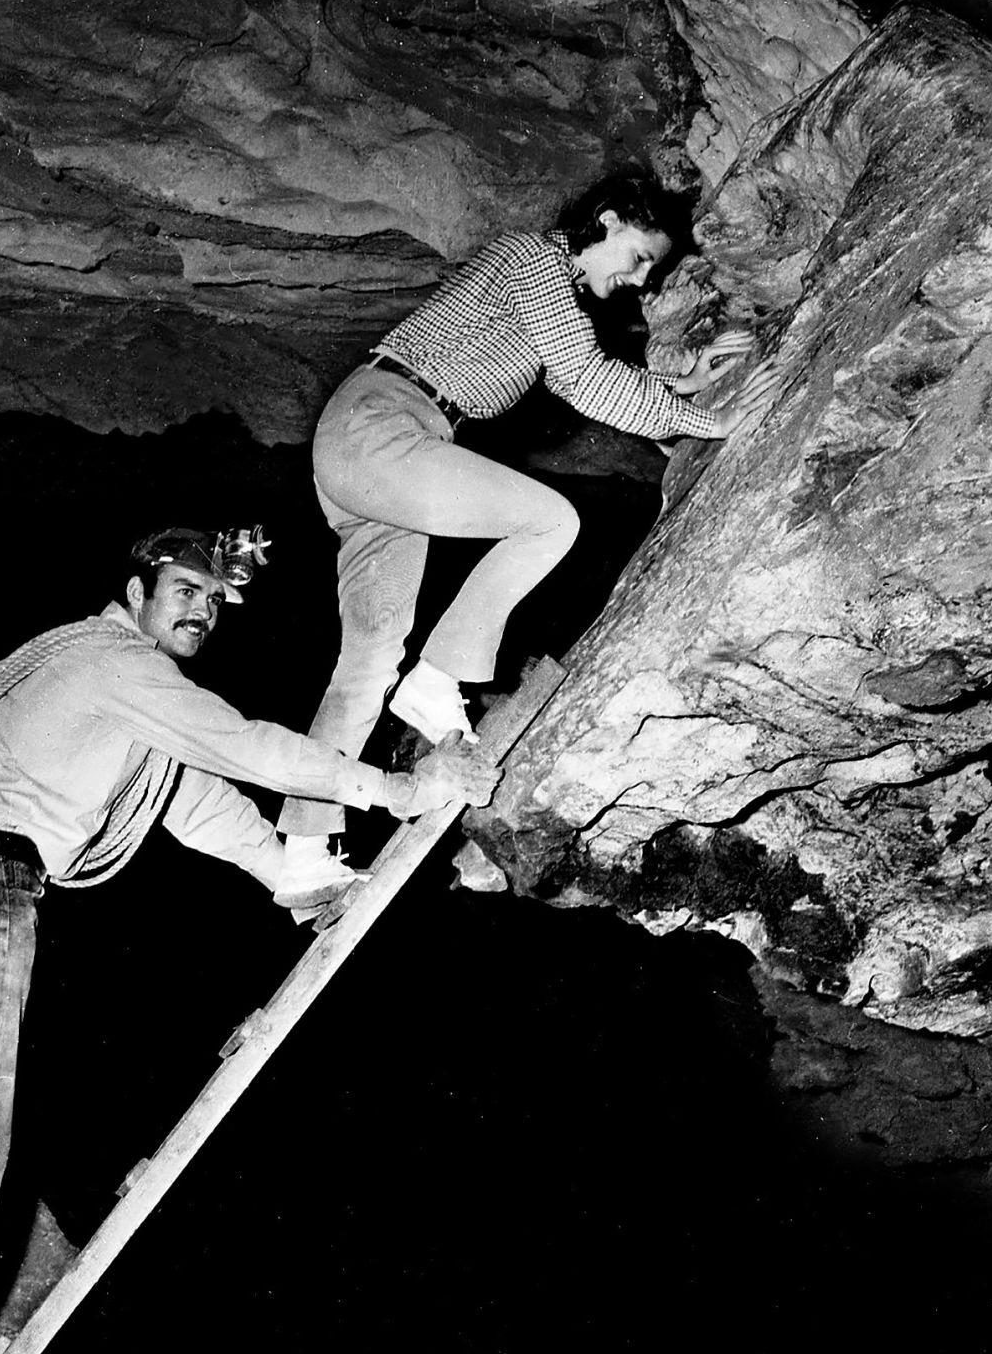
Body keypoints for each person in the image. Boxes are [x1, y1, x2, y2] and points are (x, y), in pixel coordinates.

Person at [0, 526, 498, 1354]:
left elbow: (197, 799)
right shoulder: (115, 661)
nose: (201, 609)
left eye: (214, 601)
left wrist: (299, 882)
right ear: (135, 589)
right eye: (185, 588)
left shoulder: (118, 694)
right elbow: (245, 745)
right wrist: (401, 790)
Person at [277, 168, 779, 872]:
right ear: (602, 222)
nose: (638, 280)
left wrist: (682, 387)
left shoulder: (542, 296)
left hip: (366, 446)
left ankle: (303, 847)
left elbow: (576, 373)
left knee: (365, 662)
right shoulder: (534, 258)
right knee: (547, 521)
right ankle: (439, 679)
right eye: (636, 257)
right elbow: (582, 375)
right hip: (384, 427)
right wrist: (711, 419)